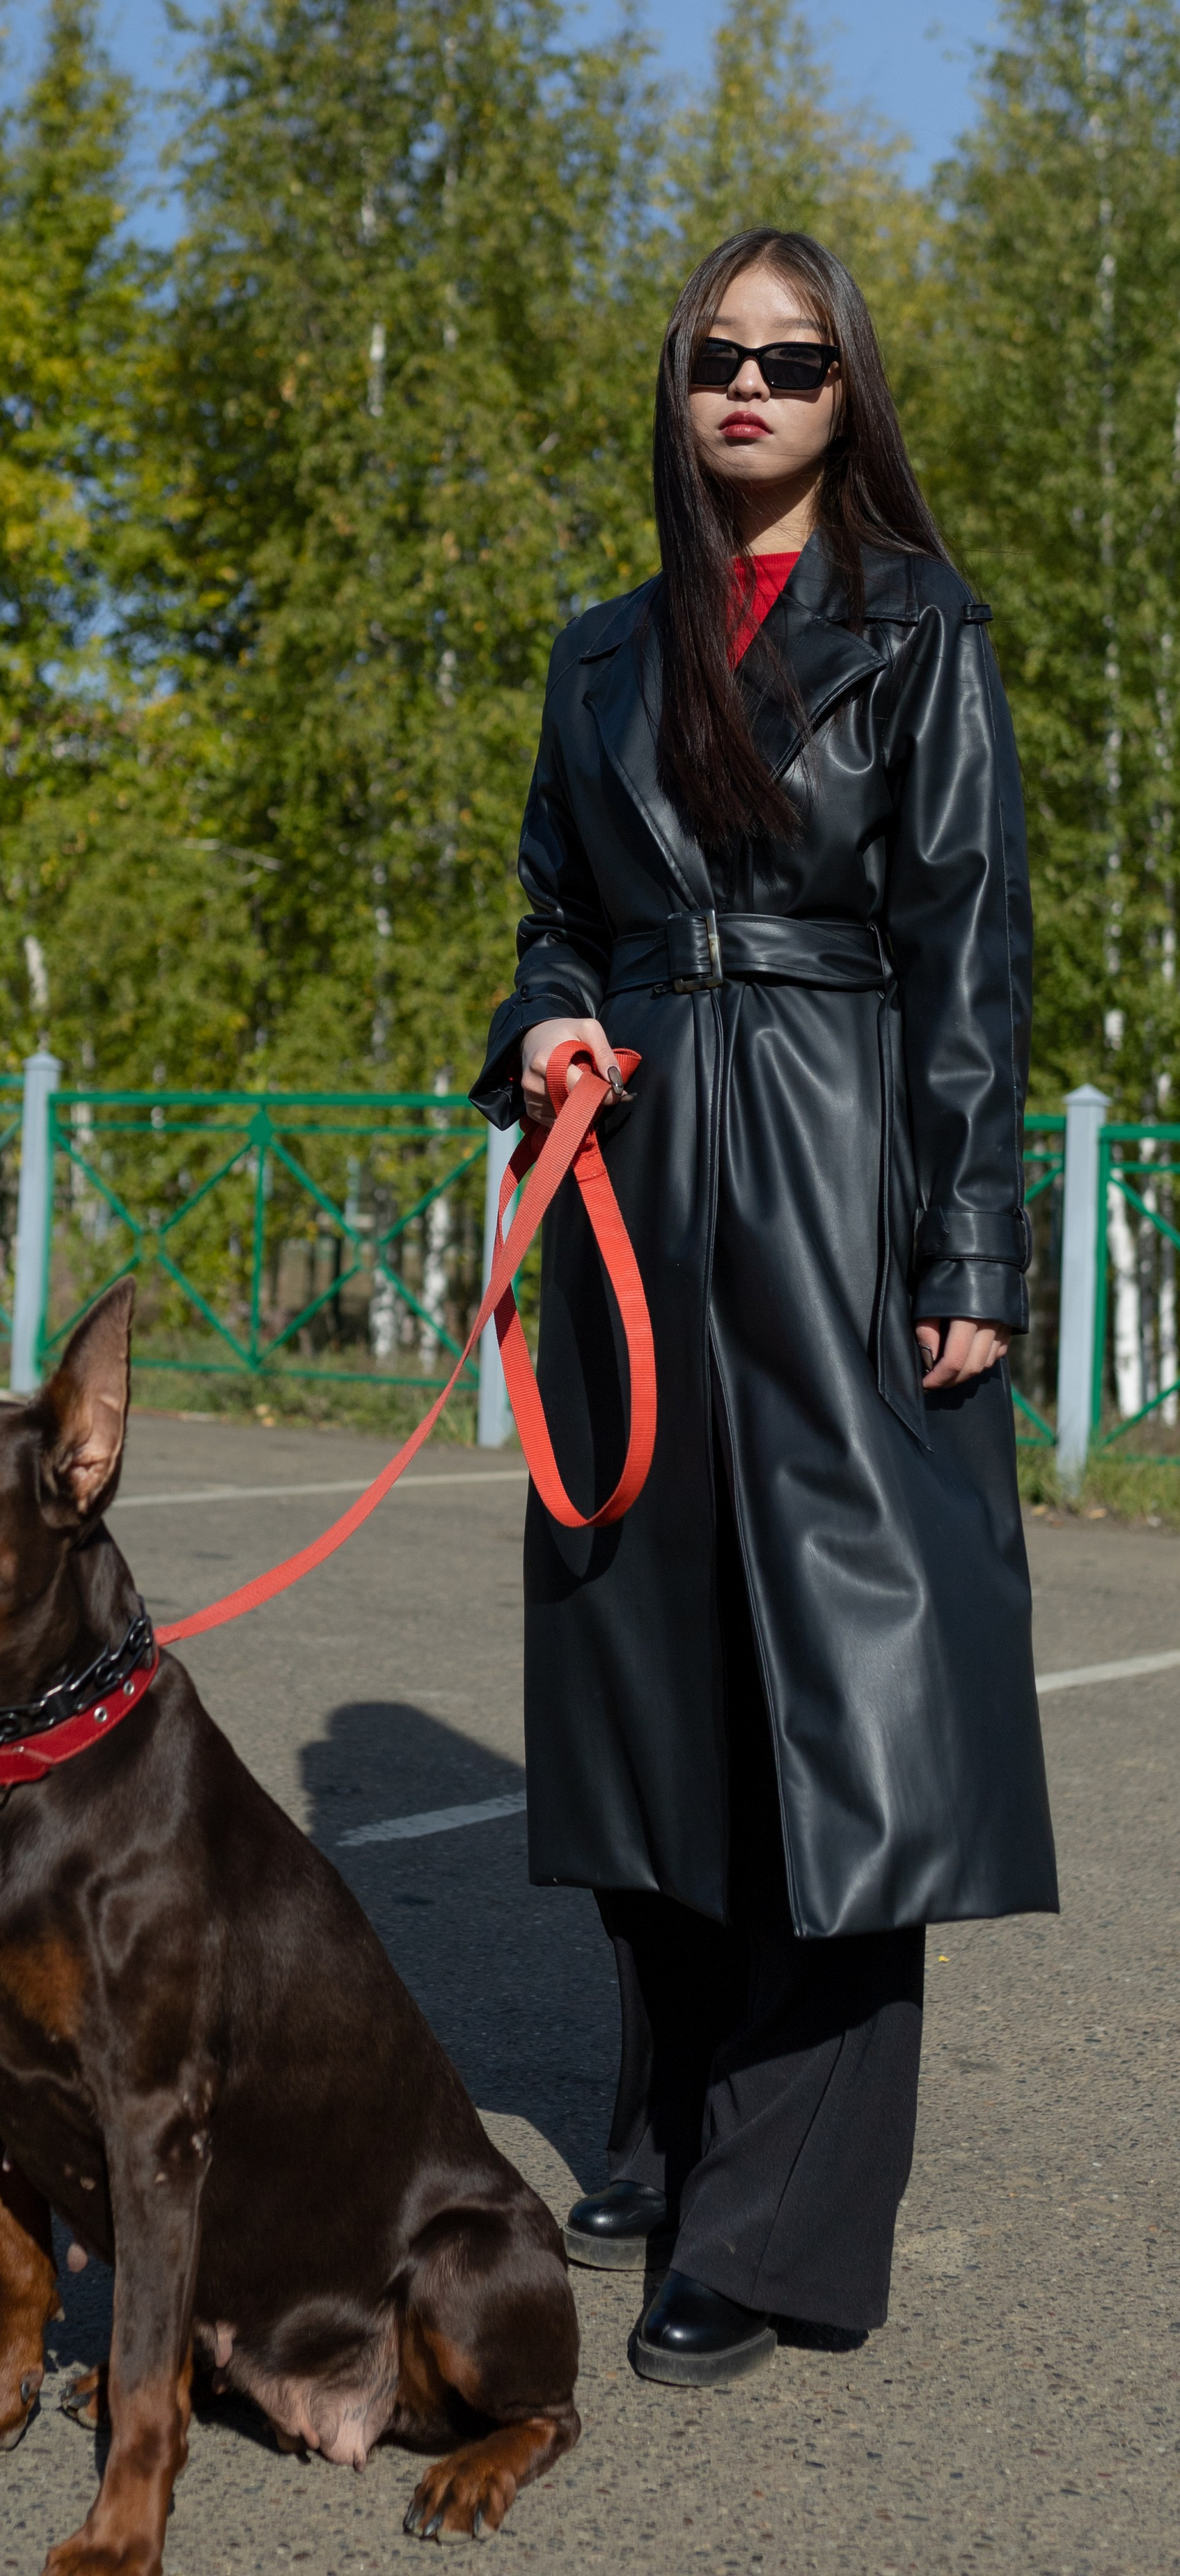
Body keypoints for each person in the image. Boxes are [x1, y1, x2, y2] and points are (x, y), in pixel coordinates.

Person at [469, 227, 1057, 2386]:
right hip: (631, 1182)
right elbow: (551, 906)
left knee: (844, 1691)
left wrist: (969, 1248)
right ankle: (663, 2119)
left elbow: (969, 942)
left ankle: (783, 2220)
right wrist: (545, 1028)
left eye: (793, 362)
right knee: (648, 1662)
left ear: (845, 395)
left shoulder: (922, 628)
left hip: (832, 1171)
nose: (751, 388)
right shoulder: (602, 647)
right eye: (719, 357)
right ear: (679, 385)